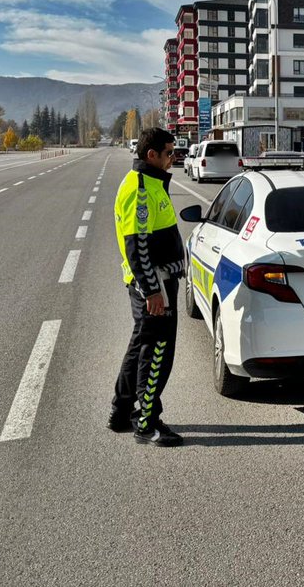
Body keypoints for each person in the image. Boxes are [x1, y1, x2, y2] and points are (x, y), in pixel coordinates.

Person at [109, 127, 187, 447]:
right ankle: (147, 422)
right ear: (151, 154)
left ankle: (121, 412)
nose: (174, 157)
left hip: (155, 282)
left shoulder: (152, 183)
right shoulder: (141, 189)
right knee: (156, 353)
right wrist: (153, 290)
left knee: (139, 347)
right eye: (169, 152)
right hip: (155, 286)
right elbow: (137, 246)